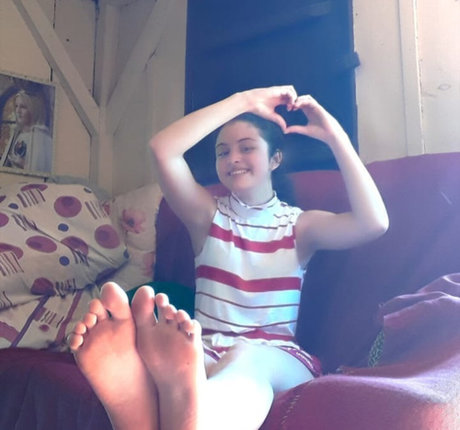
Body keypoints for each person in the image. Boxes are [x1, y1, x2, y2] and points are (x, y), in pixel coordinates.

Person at [69, 86, 389, 430]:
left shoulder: (299, 226)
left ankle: (153, 404)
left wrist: (335, 137)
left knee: (245, 358)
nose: (233, 158)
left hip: (275, 356)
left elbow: (373, 223)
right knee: (197, 362)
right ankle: (155, 402)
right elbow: (162, 149)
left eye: (246, 148)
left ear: (275, 159)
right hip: (201, 348)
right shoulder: (206, 216)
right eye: (223, 152)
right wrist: (242, 101)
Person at [1, 90, 52, 173]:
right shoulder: (17, 134)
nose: (18, 111)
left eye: (23, 107)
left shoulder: (41, 137)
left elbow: (40, 169)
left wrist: (24, 165)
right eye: (16, 106)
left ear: (33, 110)